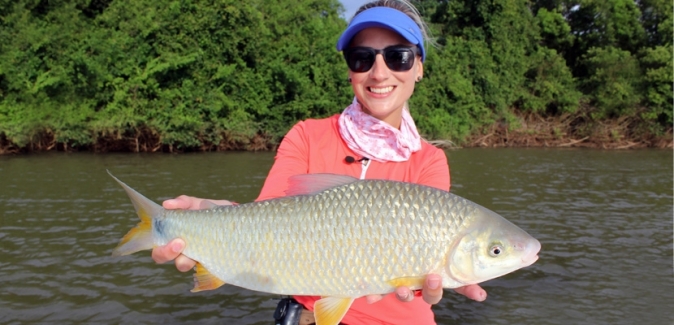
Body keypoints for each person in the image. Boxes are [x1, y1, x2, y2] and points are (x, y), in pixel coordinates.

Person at [152, 0, 487, 324]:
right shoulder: (307, 135)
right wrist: (213, 219)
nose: (379, 72)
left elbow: (421, 276)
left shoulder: (430, 161)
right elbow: (269, 219)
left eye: (398, 57)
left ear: (418, 68)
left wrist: (432, 283)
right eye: (362, 58)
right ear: (350, 70)